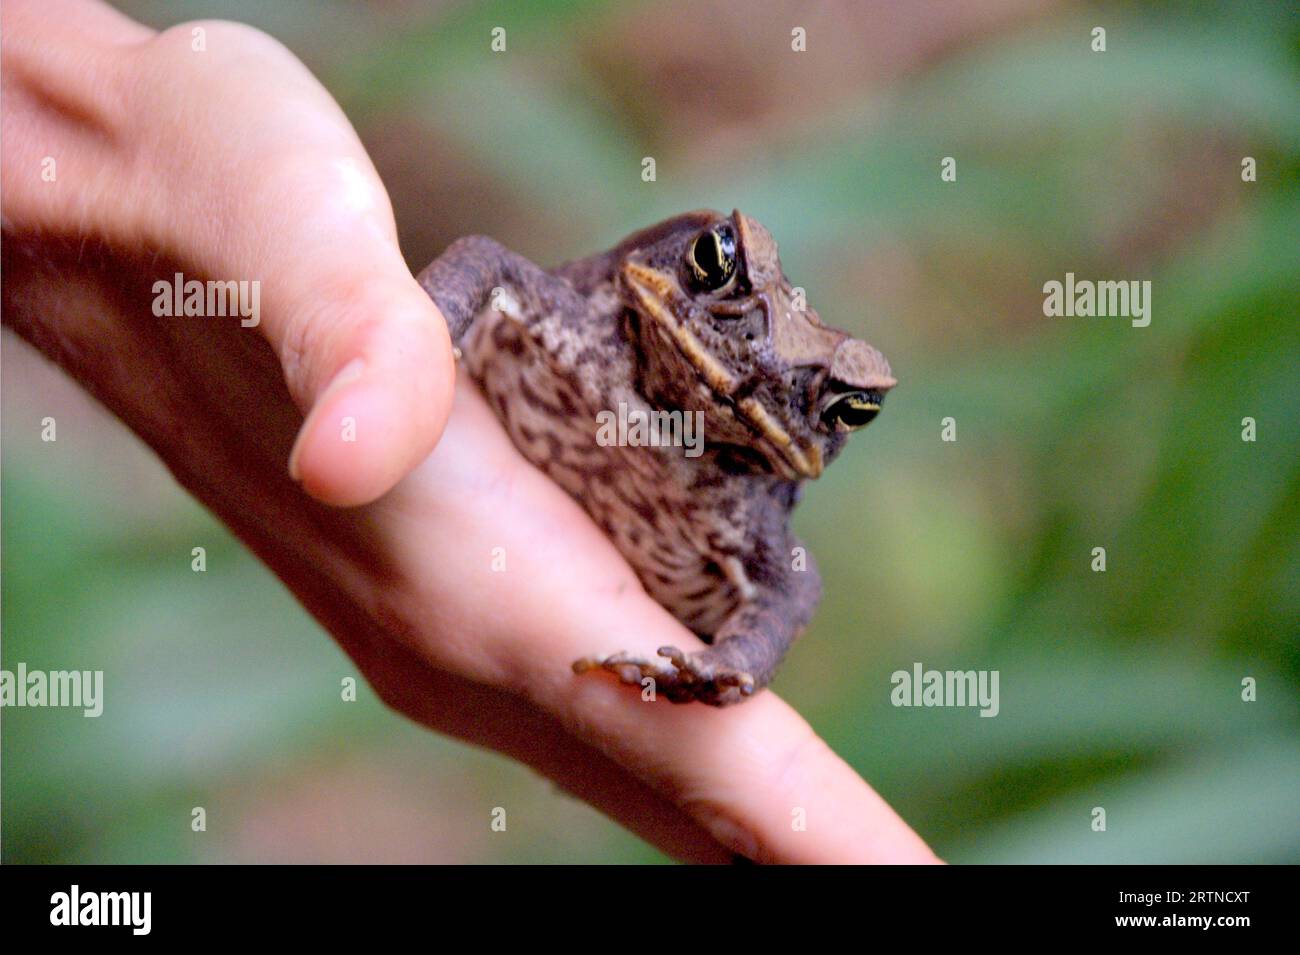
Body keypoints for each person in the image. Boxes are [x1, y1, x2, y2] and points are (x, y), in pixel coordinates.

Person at [1, 0, 939, 864]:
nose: (756, 364)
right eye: (709, 267)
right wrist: (402, 348)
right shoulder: (594, 322)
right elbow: (488, 267)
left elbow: (788, 588)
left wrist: (727, 666)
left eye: (839, 402)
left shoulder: (751, 507)